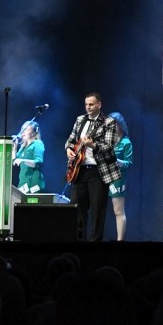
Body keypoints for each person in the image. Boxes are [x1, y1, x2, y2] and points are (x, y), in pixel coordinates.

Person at [65, 92, 121, 242]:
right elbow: (70, 140)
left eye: (91, 104)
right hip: (79, 170)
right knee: (76, 208)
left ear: (99, 105)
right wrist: (69, 149)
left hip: (98, 171)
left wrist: (93, 145)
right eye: (86, 104)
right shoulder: (80, 120)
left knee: (97, 211)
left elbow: (109, 147)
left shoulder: (109, 122)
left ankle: (94, 245)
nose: (88, 107)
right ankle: (78, 242)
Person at [108, 111, 133, 240]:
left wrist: (117, 161)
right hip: (103, 177)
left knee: (118, 211)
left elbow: (128, 163)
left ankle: (120, 240)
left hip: (117, 179)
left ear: (120, 125)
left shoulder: (126, 142)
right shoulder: (108, 141)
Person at [14, 120, 46, 194]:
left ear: (34, 132)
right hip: (23, 183)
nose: (23, 132)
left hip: (33, 183)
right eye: (23, 129)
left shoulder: (37, 143)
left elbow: (38, 162)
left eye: (27, 129)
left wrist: (22, 160)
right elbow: (14, 161)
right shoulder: (23, 147)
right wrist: (14, 147)